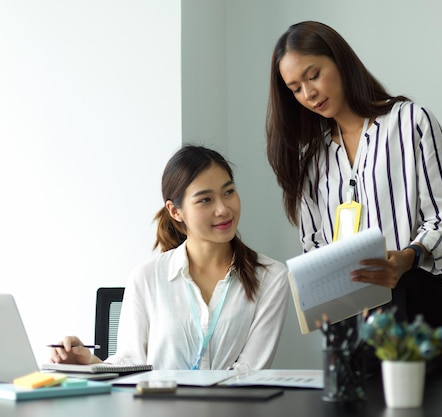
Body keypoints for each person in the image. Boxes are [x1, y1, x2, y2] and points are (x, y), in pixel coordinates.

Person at [266, 21, 442, 376]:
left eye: (314, 75)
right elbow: (313, 244)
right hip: (345, 317)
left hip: (414, 302)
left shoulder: (411, 123)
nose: (308, 94)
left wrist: (406, 258)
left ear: (340, 62)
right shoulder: (312, 158)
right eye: (295, 88)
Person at [51, 145, 290, 370]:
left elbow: (251, 372)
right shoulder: (146, 277)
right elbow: (131, 361)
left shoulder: (271, 277)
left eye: (228, 192)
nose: (223, 209)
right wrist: (90, 362)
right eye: (205, 199)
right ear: (175, 211)